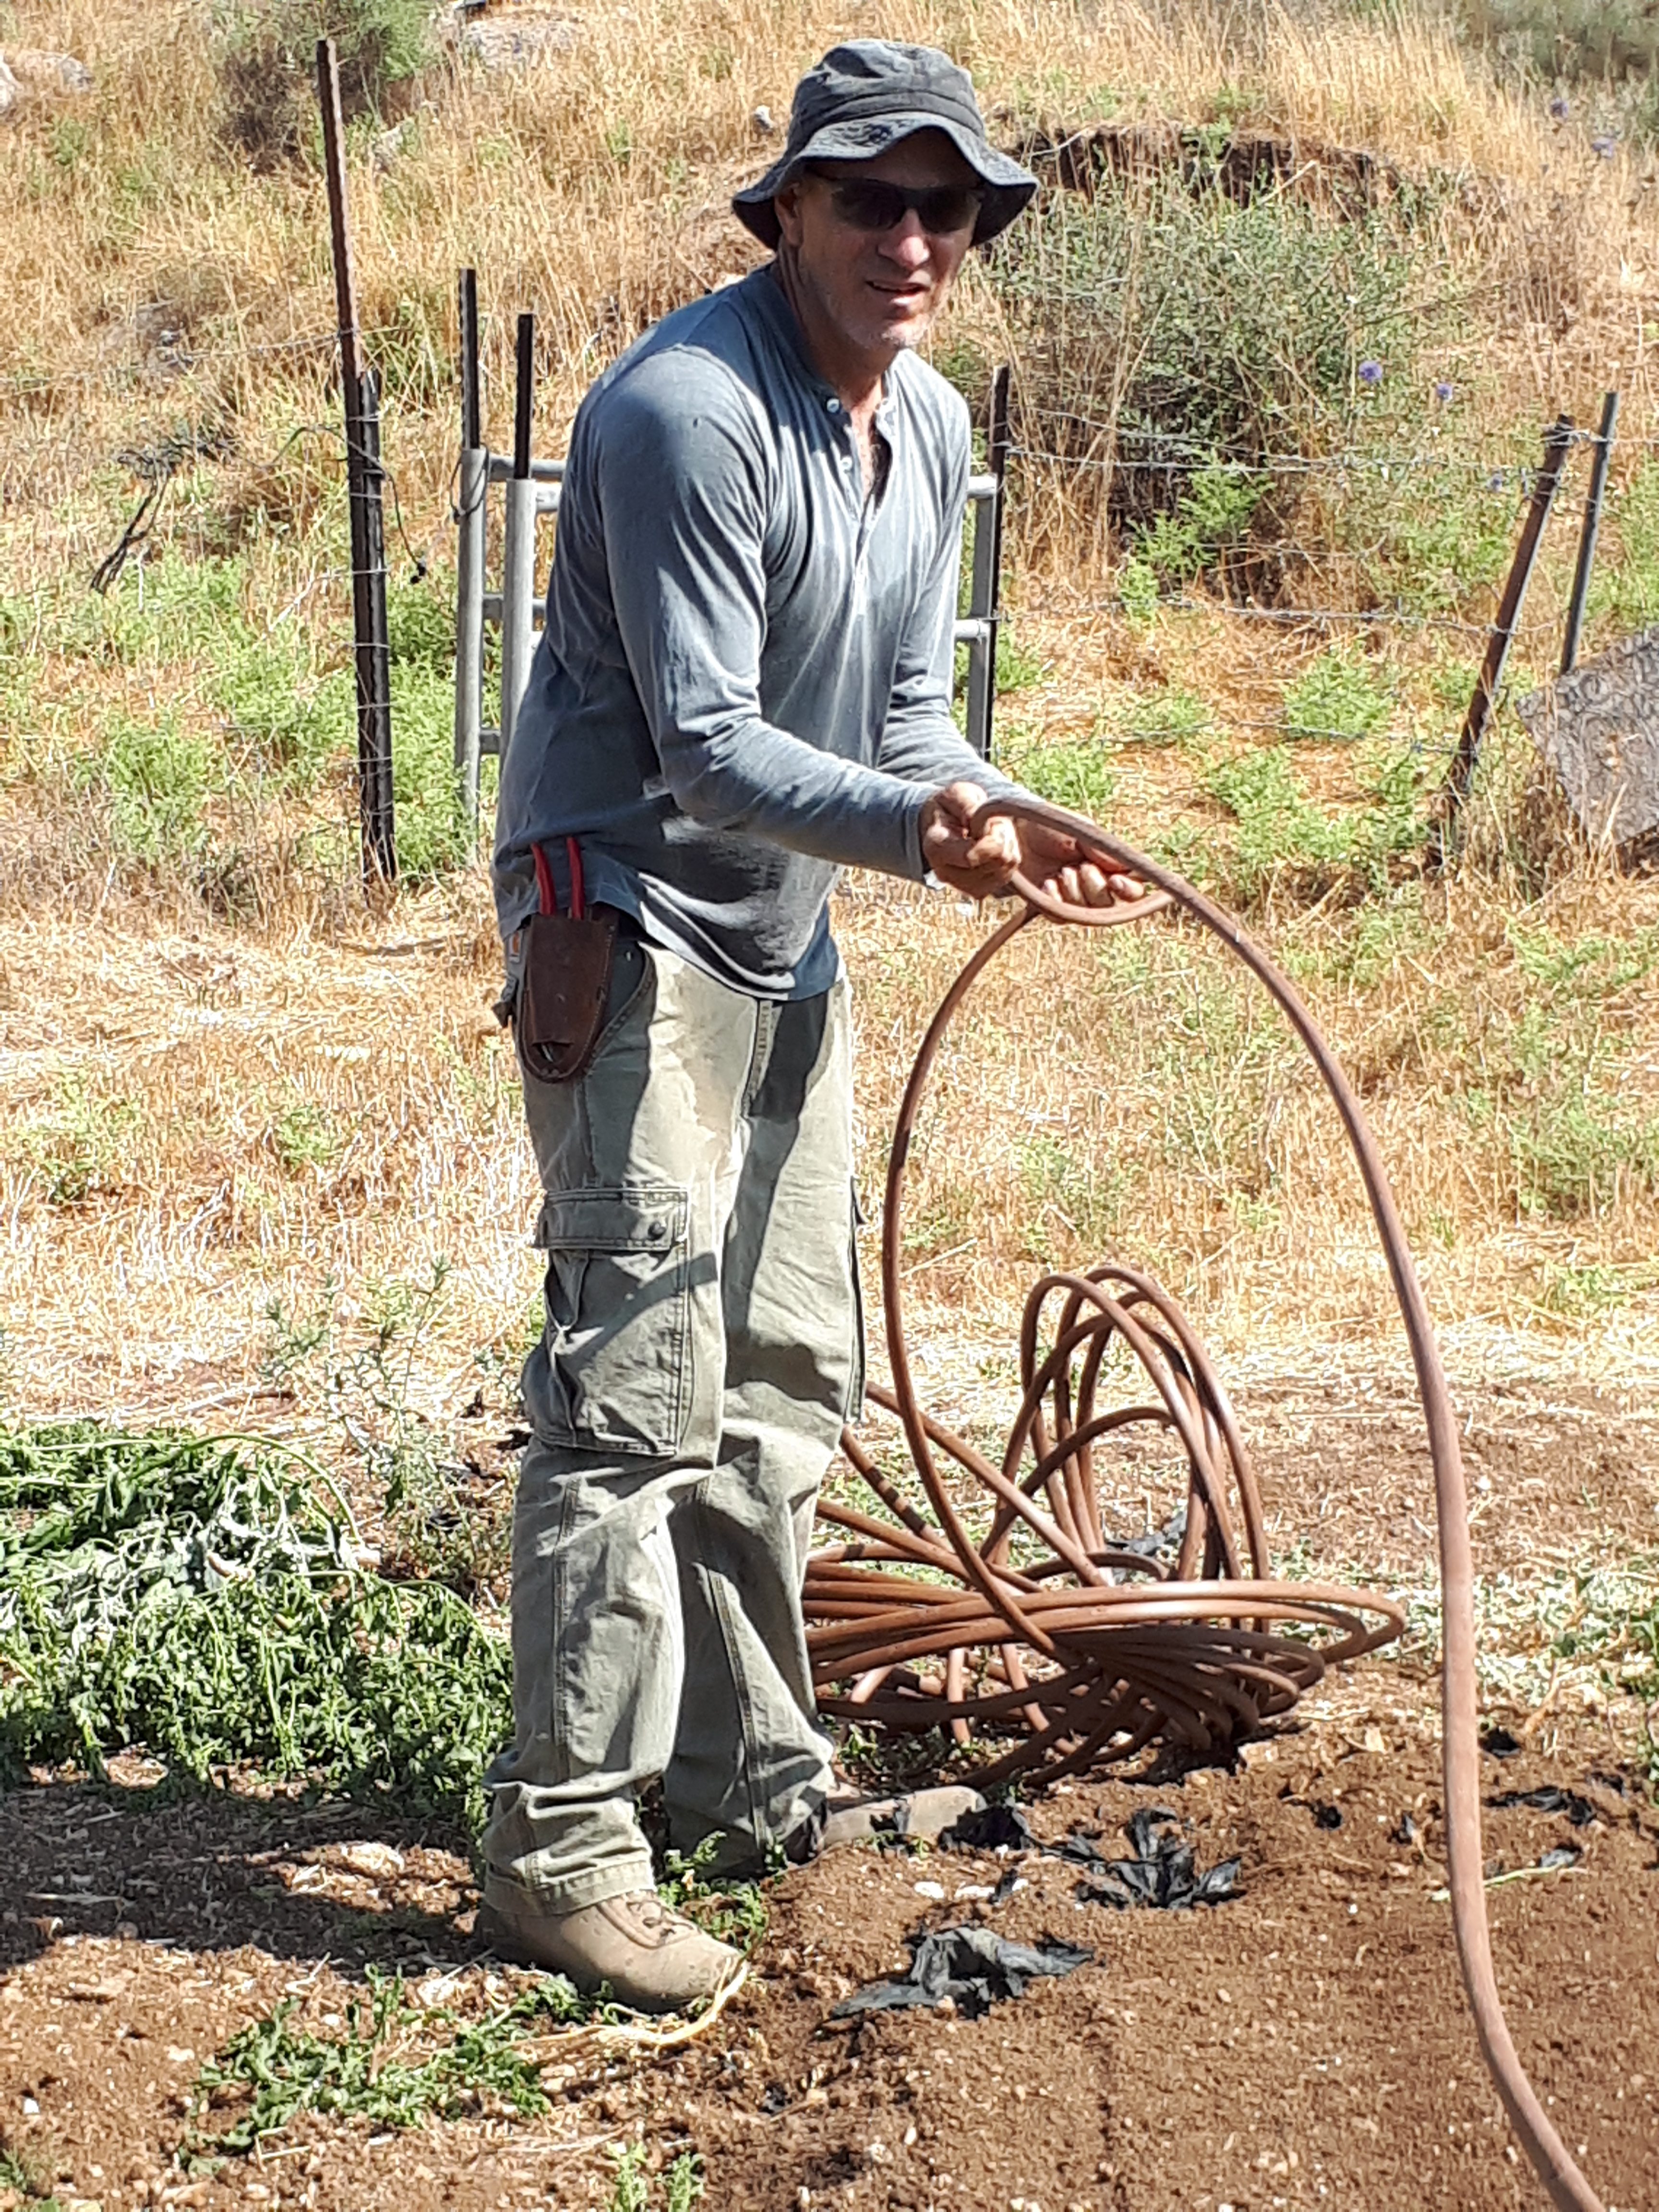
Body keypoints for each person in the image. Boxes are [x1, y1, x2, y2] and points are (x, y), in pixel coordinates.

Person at [482, 38, 1134, 2010]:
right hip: (631, 919)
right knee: (636, 1387)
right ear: (790, 211)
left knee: (781, 1376)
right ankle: (560, 1846)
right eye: (874, 199)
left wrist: (1004, 811)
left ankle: (745, 1780)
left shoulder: (920, 425)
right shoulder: (686, 413)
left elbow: (908, 718)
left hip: (785, 933)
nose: (914, 239)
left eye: (950, 210)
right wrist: (923, 832)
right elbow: (704, 748)